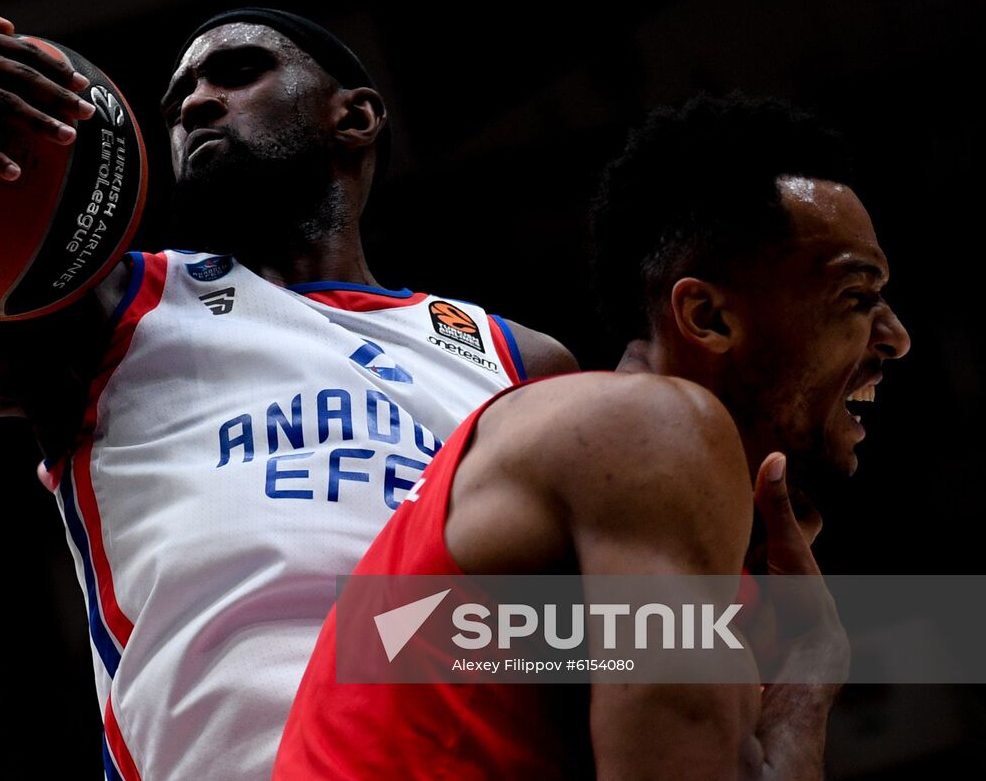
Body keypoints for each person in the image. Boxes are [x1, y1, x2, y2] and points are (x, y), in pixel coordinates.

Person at [0, 6, 577, 781]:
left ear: (356, 117)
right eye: (179, 97)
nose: (196, 101)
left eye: (237, 71)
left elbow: (647, 639)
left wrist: (402, 636)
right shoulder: (104, 313)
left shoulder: (517, 361)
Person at [274, 93, 912, 779]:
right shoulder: (650, 431)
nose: (896, 337)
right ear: (707, 316)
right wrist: (809, 673)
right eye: (857, 296)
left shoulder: (628, 487)